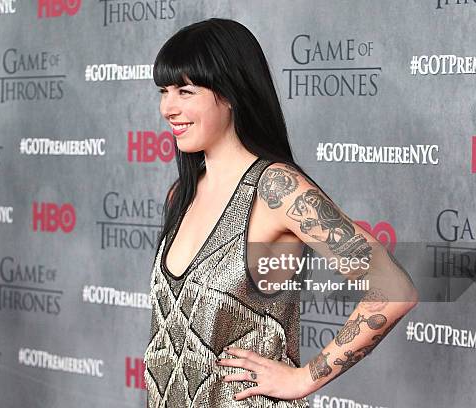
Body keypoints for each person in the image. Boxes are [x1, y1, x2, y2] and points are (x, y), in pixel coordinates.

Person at [143, 18, 418, 407]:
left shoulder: (276, 190)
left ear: (231, 93)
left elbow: (394, 289)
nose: (168, 107)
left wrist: (305, 378)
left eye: (185, 91)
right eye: (164, 91)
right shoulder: (181, 194)